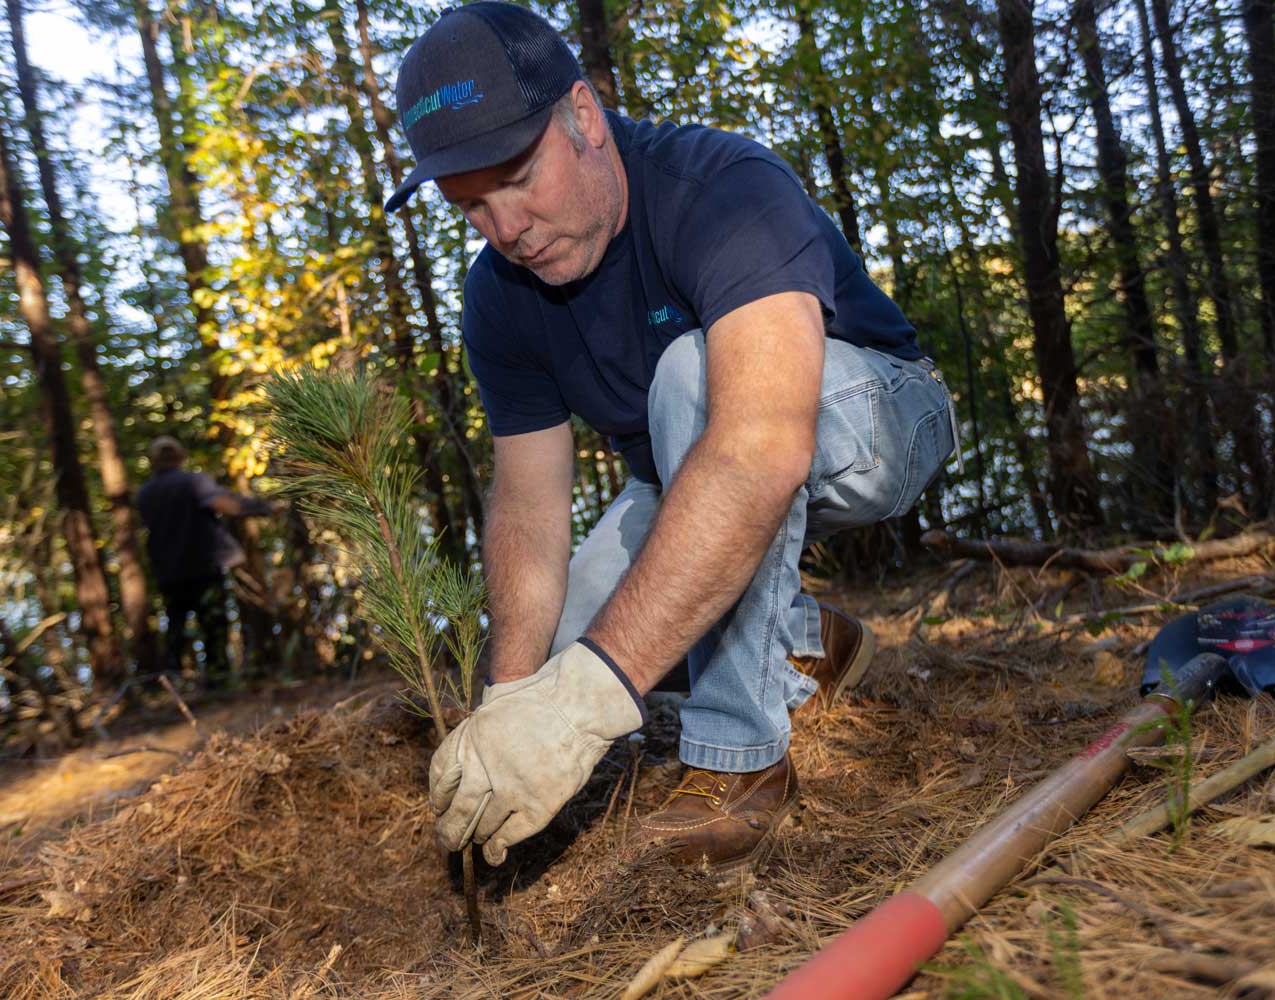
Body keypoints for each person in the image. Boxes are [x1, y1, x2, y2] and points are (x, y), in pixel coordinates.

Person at [394, 3, 956, 871]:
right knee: (562, 638)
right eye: (469, 206)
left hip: (876, 417)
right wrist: (514, 704)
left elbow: (759, 445)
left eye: (514, 178)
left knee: (691, 374)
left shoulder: (719, 186)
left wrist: (585, 702)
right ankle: (810, 643)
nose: (505, 230)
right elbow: (529, 510)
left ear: (582, 115)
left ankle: (740, 758)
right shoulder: (499, 294)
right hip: (686, 469)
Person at [135, 436, 272, 690]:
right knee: (213, 625)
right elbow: (226, 503)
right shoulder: (192, 482)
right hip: (202, 568)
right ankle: (217, 681)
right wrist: (264, 507)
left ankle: (173, 681)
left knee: (176, 626)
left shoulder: (145, 494)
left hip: (168, 574)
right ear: (180, 456)